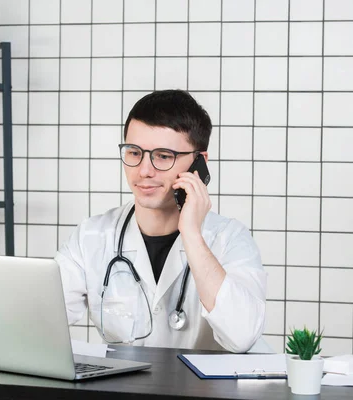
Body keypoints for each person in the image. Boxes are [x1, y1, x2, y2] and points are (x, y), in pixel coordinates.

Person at [56, 90, 267, 353]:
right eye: (134, 153)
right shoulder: (91, 237)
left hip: (206, 393)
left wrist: (191, 234)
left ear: (199, 162)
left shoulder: (230, 239)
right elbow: (39, 321)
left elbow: (243, 336)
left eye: (163, 156)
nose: (144, 170)